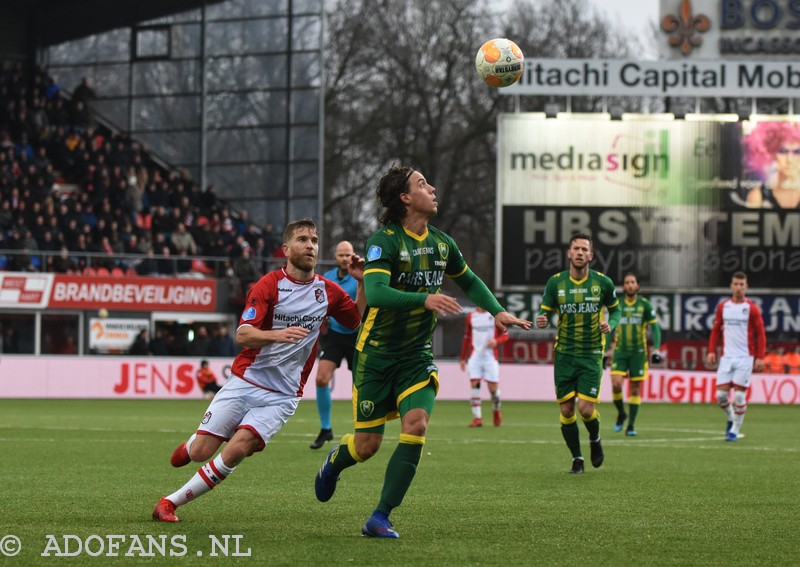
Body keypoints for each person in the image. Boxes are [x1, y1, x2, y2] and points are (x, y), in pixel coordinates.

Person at [313, 165, 531, 539]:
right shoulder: (384, 241)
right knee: (366, 446)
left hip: (416, 356)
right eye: (422, 184)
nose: (432, 188)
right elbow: (378, 294)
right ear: (405, 198)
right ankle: (334, 460)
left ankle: (380, 516)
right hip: (377, 357)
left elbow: (471, 281)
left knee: (416, 426)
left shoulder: (443, 243)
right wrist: (426, 298)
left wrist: (498, 311)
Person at [153, 218, 365, 522]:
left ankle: (169, 503)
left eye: (315, 240)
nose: (310, 245)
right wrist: (277, 334)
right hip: (246, 381)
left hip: (283, 395)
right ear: (286, 248)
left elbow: (355, 319)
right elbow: (243, 334)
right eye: (303, 239)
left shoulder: (326, 291)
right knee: (201, 451)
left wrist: (361, 282)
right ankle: (191, 445)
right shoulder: (268, 285)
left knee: (238, 448)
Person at [536, 233, 620, 474]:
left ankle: (595, 439)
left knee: (585, 409)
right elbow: (545, 310)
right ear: (569, 253)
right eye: (577, 248)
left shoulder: (603, 283)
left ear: (590, 255)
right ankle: (577, 459)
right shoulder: (556, 283)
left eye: (585, 249)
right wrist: (542, 319)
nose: (581, 252)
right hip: (564, 354)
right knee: (566, 410)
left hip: (591, 353)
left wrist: (611, 324)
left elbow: (616, 312)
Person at [706, 271, 766, 442]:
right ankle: (732, 418)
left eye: (742, 285)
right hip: (727, 357)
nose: (739, 288)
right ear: (731, 286)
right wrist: (711, 351)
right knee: (720, 396)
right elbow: (716, 330)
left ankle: (734, 430)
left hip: (745, 357)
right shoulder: (723, 307)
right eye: (736, 284)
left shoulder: (751, 308)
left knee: (739, 396)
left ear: (746, 287)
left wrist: (760, 357)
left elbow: (761, 334)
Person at [310, 240, 359, 450]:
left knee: (361, 386)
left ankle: (363, 429)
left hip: (357, 335)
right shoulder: (327, 278)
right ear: (335, 256)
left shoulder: (360, 278)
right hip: (335, 336)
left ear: (353, 255)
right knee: (321, 379)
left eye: (348, 255)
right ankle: (326, 428)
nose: (345, 259)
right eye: (341, 255)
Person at [609, 273, 662, 437]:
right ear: (624, 287)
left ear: (637, 286)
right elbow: (610, 328)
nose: (630, 285)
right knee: (616, 384)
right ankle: (621, 413)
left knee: (634, 389)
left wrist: (657, 350)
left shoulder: (645, 305)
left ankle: (631, 425)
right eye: (627, 282)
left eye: (633, 282)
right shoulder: (617, 305)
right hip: (620, 352)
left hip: (638, 353)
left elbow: (655, 328)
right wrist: (604, 350)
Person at [459, 306, 508, 427]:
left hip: (490, 358)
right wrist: (462, 358)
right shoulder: (471, 316)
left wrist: (497, 341)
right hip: (475, 357)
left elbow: (505, 335)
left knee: (493, 390)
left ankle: (496, 410)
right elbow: (467, 337)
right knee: (474, 384)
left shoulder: (495, 316)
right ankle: (477, 418)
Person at [742, 121, 800, 209]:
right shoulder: (758, 196)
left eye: (797, 152)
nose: (790, 159)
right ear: (772, 153)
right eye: (783, 151)